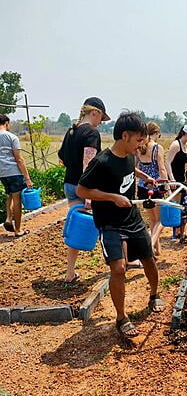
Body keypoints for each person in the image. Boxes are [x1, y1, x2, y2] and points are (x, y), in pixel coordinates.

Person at [77, 111, 164, 340]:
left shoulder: (129, 155)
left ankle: (154, 295)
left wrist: (144, 176)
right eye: (138, 140)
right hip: (110, 223)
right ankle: (121, 317)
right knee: (118, 269)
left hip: (132, 219)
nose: (140, 146)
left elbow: (128, 169)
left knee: (149, 259)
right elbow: (82, 190)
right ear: (124, 136)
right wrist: (112, 197)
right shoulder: (101, 162)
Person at [58, 97, 110, 283]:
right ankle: (121, 260)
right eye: (100, 118)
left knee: (77, 225)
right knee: (107, 221)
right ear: (94, 112)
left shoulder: (71, 131)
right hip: (84, 187)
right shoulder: (91, 134)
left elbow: (62, 158)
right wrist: (89, 193)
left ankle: (70, 272)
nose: (100, 123)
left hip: (69, 185)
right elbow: (89, 166)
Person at [136, 122, 167, 256]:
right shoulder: (156, 148)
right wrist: (166, 185)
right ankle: (149, 246)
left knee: (152, 220)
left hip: (142, 186)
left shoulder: (139, 148)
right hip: (156, 186)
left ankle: (157, 250)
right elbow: (161, 168)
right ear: (156, 133)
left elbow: (136, 166)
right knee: (161, 220)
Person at [0, 114, 33, 237]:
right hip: (13, 171)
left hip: (2, 173)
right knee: (17, 199)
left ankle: (9, 217)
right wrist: (27, 178)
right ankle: (18, 230)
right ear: (6, 123)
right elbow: (19, 159)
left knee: (10, 194)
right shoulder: (12, 137)